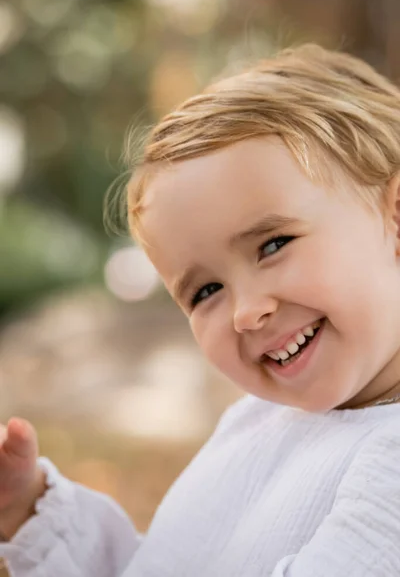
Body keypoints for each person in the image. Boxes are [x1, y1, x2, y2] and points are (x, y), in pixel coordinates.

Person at [1, 43, 400, 576]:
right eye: (205, 291)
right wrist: (29, 512)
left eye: (273, 244)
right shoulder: (260, 422)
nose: (244, 313)